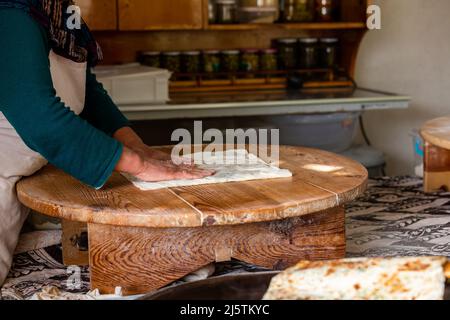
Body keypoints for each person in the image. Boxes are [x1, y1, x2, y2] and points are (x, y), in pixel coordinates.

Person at [0, 0, 213, 285]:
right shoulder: (10, 14)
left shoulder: (52, 10)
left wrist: (138, 148)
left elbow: (83, 91)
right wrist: (138, 166)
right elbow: (40, 118)